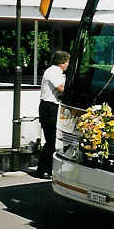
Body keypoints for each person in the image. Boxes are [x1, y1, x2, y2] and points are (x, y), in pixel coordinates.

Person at [36, 50, 70, 178]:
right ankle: (43, 169)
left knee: (51, 140)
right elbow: (61, 88)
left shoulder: (56, 72)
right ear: (62, 62)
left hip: (51, 107)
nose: (68, 64)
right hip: (49, 107)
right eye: (67, 62)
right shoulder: (54, 71)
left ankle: (46, 168)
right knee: (51, 140)